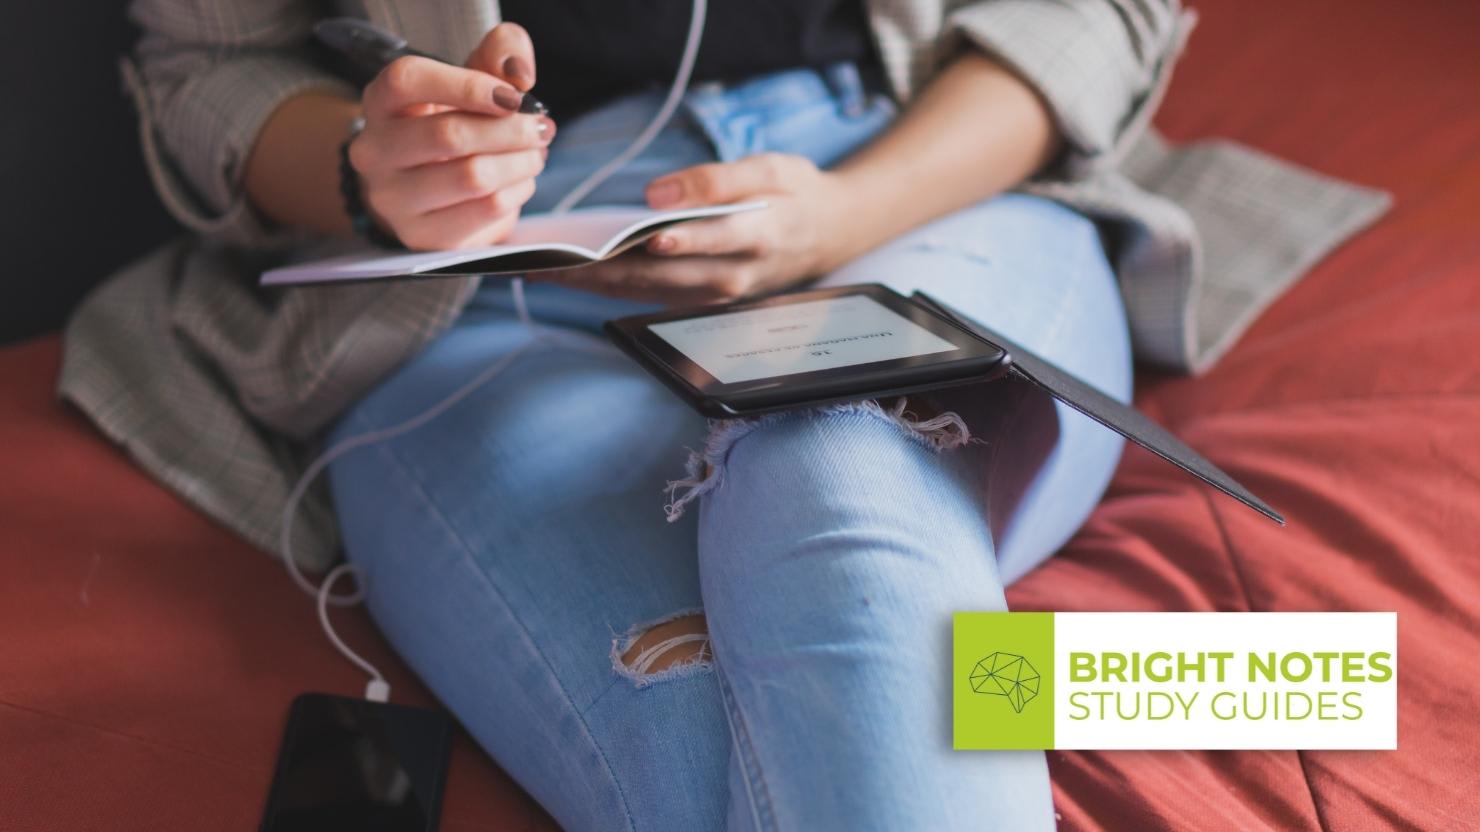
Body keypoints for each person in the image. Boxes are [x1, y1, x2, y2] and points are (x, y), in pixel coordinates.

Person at [60, 1, 1388, 829]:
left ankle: (1221, 682)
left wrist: (847, 215)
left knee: (840, 468)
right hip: (483, 277)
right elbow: (205, 67)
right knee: (807, 694)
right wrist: (371, 168)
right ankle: (1243, 685)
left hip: (922, 183)